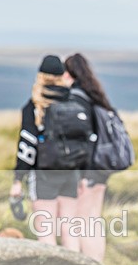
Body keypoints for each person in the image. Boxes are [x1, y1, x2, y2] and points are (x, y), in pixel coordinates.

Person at [10, 55, 91, 251]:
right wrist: (83, 175)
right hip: (71, 172)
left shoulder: (35, 106)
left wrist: (18, 180)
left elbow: (27, 146)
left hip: (44, 173)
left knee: (46, 232)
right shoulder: (75, 102)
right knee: (69, 229)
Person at [64, 53, 116, 262]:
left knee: (82, 220)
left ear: (71, 73)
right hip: (103, 168)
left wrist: (79, 174)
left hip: (88, 169)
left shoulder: (77, 99)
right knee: (94, 219)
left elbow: (82, 142)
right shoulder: (97, 97)